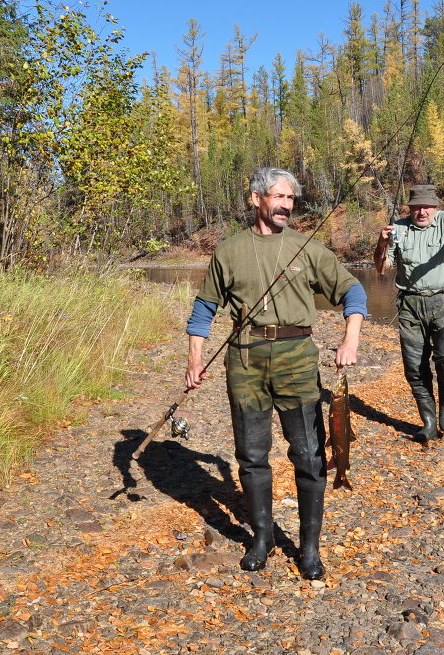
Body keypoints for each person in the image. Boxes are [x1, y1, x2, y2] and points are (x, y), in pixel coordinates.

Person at [185, 167, 367, 580]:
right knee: (251, 456)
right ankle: (262, 538)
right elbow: (203, 310)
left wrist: (350, 340)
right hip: (244, 361)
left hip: (297, 359)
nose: (286, 205)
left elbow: (353, 291)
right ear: (256, 199)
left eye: (291, 199)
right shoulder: (228, 251)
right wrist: (195, 360)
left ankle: (309, 547)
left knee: (308, 454)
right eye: (278, 197)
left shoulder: (308, 249)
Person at [374, 184, 444, 442]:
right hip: (409, 305)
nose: (422, 212)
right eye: (416, 207)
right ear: (409, 208)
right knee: (414, 368)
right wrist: (381, 243)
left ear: (435, 207)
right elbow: (381, 267)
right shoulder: (397, 229)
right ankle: (429, 421)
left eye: (427, 207)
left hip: (443, 300)